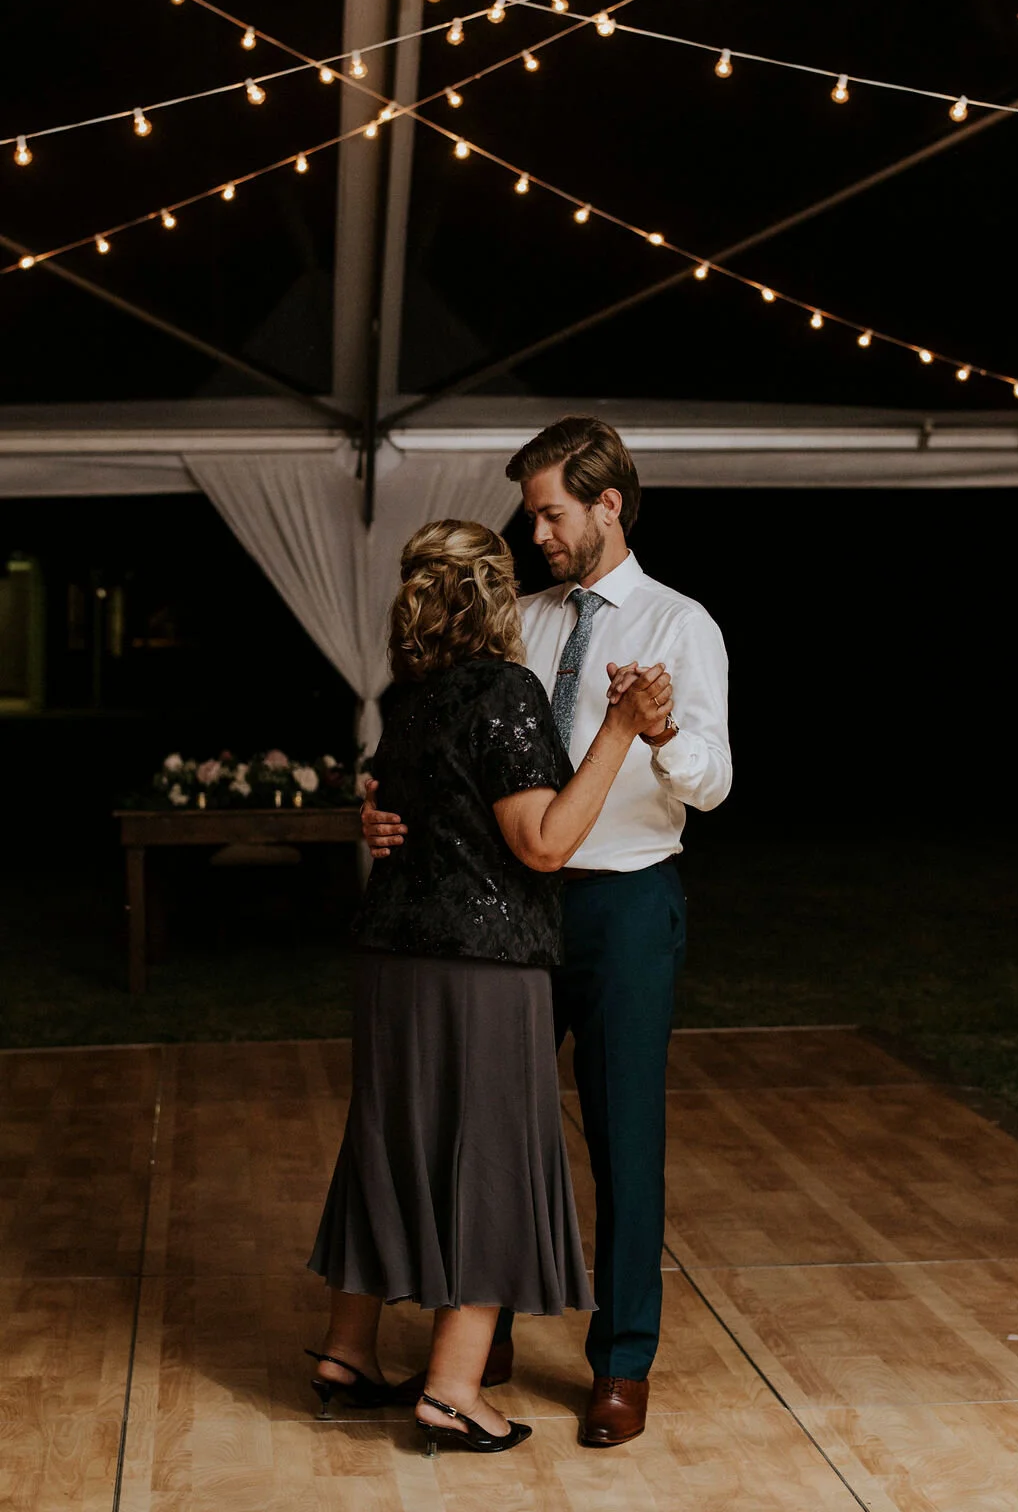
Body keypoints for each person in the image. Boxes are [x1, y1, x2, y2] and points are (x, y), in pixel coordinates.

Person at [364, 418, 731, 1448]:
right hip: (507, 915)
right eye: (531, 516)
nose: (535, 535)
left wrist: (659, 734)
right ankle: (481, 1340)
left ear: (609, 505)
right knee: (497, 1134)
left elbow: (712, 781)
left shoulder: (678, 626)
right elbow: (447, 743)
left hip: (620, 905)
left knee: (623, 1138)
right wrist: (380, 805)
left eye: (551, 513)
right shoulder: (513, 621)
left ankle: (620, 1364)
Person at [307, 518, 674, 1457]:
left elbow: (413, 815)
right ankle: (454, 1390)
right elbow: (544, 843)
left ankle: (347, 1352)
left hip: (393, 961)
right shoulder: (505, 690)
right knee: (490, 1159)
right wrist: (622, 732)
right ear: (497, 596)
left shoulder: (408, 694)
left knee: (390, 1142)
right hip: (484, 964)